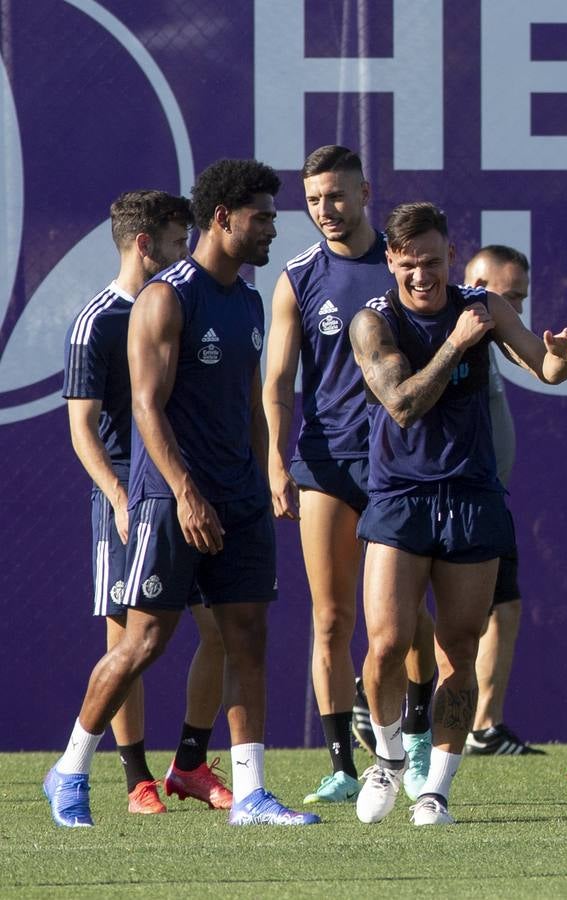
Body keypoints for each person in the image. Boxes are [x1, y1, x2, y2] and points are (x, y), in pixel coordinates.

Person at [44, 158, 319, 828]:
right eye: (261, 218)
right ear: (222, 218)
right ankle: (70, 767)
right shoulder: (168, 296)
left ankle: (250, 794)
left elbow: (254, 405)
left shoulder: (250, 300)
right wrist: (186, 493)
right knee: (143, 643)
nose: (271, 232)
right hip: (171, 501)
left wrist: (264, 476)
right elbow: (145, 408)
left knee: (246, 635)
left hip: (239, 499)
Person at [349, 202, 567, 826]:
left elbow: (547, 366)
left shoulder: (484, 307)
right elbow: (400, 403)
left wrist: (558, 357)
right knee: (386, 644)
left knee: (459, 648)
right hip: (399, 497)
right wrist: (455, 344)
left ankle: (437, 790)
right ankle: (391, 761)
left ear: (452, 256)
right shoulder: (373, 323)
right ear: (390, 264)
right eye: (406, 265)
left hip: (473, 499)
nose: (420, 276)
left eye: (430, 261)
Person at [263, 145, 437, 804]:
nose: (325, 210)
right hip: (326, 462)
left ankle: (415, 742)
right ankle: (341, 765)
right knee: (332, 619)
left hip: (402, 465)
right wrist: (278, 461)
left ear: (366, 193)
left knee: (405, 619)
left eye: (336, 196)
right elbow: (278, 382)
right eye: (312, 200)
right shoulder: (298, 277)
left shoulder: (401, 267)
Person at [61, 189, 230, 816]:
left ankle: (188, 764)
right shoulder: (98, 321)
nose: (187, 253)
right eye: (178, 242)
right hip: (130, 493)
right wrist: (118, 497)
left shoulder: (186, 304)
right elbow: (83, 430)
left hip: (186, 487)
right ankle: (135, 779)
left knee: (218, 631)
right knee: (127, 642)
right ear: (144, 244)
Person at [460, 245, 543, 756]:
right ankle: (371, 695)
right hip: (451, 498)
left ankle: (485, 728)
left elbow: (541, 364)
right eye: (507, 297)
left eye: (521, 299)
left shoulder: (493, 338)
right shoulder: (449, 330)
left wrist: (552, 356)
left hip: (490, 496)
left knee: (503, 608)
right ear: (475, 284)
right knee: (433, 619)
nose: (515, 308)